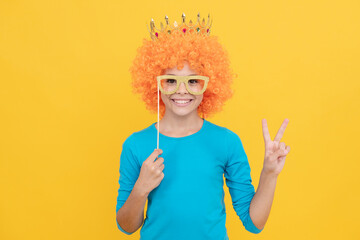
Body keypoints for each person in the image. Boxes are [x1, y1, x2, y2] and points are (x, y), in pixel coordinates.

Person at [116, 13, 291, 240]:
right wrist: (141, 188)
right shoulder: (136, 145)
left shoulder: (227, 142)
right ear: (156, 85)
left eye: (193, 81)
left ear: (208, 84)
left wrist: (269, 174)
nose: (182, 90)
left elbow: (253, 223)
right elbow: (126, 226)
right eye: (170, 80)